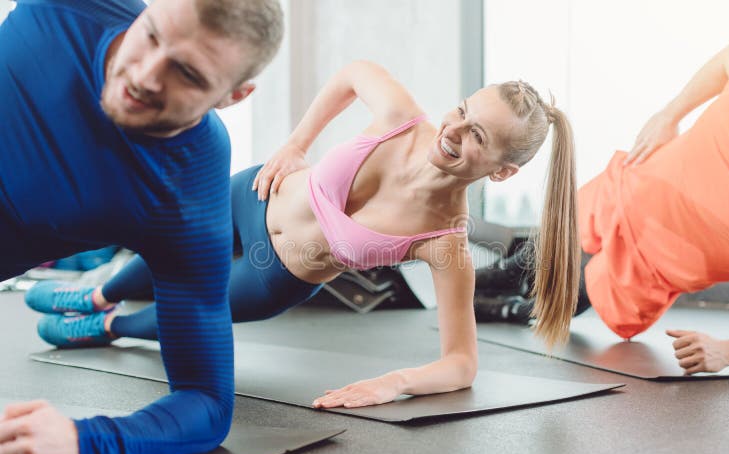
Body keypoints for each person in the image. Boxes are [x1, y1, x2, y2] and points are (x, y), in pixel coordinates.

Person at [26, 60, 582, 411]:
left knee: (184, 310)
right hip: (254, 193)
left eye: (476, 135)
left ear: (503, 171)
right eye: (462, 110)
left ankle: (105, 326)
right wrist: (296, 144)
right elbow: (351, 73)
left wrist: (396, 382)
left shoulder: (445, 243)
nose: (453, 130)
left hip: (275, 276)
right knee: (165, 244)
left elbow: (461, 363)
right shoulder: (401, 116)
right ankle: (99, 293)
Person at [0, 0, 283, 454]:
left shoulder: (188, 187)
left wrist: (88, 441)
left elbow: (206, 402)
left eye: (188, 73)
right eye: (150, 34)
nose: (147, 76)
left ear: (233, 95)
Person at [501, 39, 729, 375]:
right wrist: (670, 114)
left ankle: (504, 310)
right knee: (510, 270)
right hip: (624, 195)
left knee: (536, 308)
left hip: (642, 270)